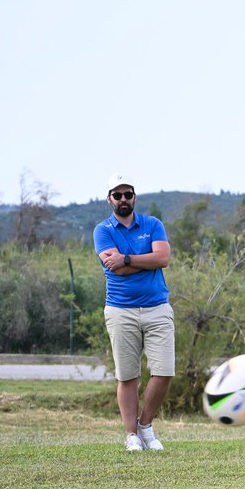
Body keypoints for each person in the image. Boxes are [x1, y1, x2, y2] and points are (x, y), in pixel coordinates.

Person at [94, 174, 175, 452]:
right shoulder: (102, 230)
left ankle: (145, 426)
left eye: (128, 194)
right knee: (127, 376)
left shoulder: (153, 224)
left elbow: (162, 258)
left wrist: (126, 258)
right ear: (109, 199)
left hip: (157, 307)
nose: (123, 199)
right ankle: (131, 435)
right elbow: (114, 269)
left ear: (134, 197)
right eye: (117, 195)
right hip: (120, 310)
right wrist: (146, 261)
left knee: (164, 372)